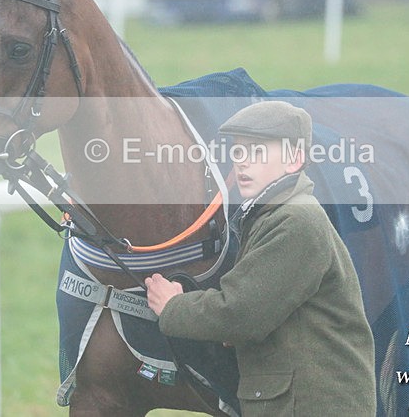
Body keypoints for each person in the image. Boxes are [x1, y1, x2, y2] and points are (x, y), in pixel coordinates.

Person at [145, 100, 376, 416]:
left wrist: (173, 307)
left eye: (257, 152)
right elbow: (261, 308)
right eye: (238, 152)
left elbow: (241, 313)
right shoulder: (271, 215)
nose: (242, 163)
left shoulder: (295, 221)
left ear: (294, 160)